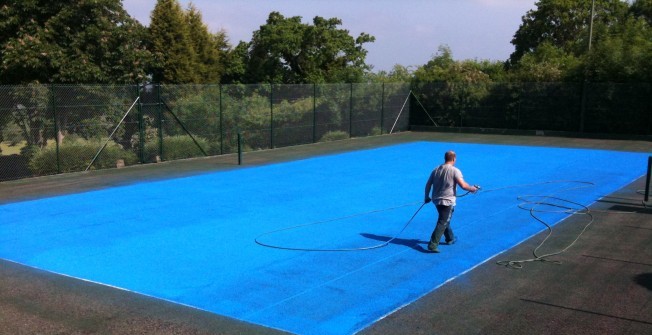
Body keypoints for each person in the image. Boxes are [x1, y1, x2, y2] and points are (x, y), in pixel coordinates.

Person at [424, 150, 478, 253]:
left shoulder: (436, 169)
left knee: (444, 219)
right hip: (447, 201)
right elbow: (463, 185)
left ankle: (450, 238)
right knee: (443, 221)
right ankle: (433, 244)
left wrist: (426, 197)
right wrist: (472, 188)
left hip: (436, 200)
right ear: (454, 159)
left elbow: (428, 184)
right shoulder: (455, 170)